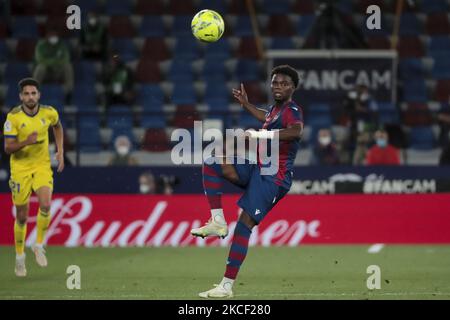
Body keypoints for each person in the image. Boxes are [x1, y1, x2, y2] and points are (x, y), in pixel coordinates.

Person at [191, 65, 303, 298]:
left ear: (293, 87)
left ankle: (226, 286)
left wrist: (261, 134)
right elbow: (266, 116)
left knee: (244, 225)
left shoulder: (292, 109)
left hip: (274, 178)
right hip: (259, 168)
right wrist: (246, 105)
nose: (278, 86)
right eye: (274, 82)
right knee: (213, 161)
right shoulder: (275, 110)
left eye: (283, 83)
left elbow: (295, 132)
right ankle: (217, 221)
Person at [3, 78, 64, 277]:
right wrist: (26, 142)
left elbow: (58, 126)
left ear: (39, 95)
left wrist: (60, 151)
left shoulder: (49, 112)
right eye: (26, 94)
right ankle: (20, 257)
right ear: (21, 96)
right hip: (20, 169)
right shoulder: (13, 117)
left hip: (42, 166)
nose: (30, 97)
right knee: (22, 216)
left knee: (46, 204)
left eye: (33, 93)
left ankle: (38, 245)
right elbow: (8, 148)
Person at [33, 29, 74, 97]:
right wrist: (55, 61)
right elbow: (39, 60)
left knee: (68, 66)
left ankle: (68, 92)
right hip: (46, 73)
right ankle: (34, 92)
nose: (54, 38)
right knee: (40, 67)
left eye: (55, 36)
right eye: (52, 36)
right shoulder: (41, 45)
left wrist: (51, 62)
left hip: (58, 72)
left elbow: (66, 58)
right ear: (47, 37)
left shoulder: (62, 45)